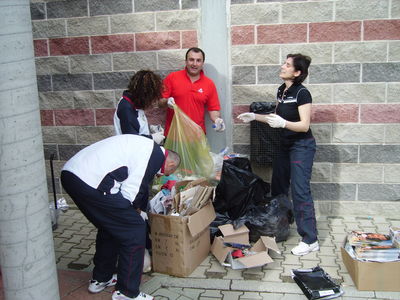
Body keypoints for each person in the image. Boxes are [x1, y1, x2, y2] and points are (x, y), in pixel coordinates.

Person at [60, 135, 180, 300]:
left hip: (73, 174)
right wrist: (139, 216)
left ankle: (101, 279)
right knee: (134, 229)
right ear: (171, 164)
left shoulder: (147, 148)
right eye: (169, 172)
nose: (163, 176)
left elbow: (137, 188)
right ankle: (127, 292)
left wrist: (135, 210)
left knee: (111, 226)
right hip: (91, 180)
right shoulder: (153, 156)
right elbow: (132, 192)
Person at [238, 53, 318, 256]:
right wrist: (255, 117)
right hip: (285, 144)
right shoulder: (282, 90)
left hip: (302, 145)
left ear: (297, 72)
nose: (282, 66)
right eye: (284, 62)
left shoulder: (302, 93)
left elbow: (304, 125)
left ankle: (310, 239)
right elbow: (276, 118)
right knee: (279, 187)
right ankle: (280, 227)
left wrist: (284, 124)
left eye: (287, 64)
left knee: (300, 191)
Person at [159, 47, 225, 136]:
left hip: (197, 136)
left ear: (202, 63)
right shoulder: (172, 78)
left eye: (198, 60)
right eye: (191, 60)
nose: (194, 64)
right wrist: (167, 102)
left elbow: (213, 109)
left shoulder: (209, 84)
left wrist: (217, 120)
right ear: (186, 61)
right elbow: (160, 103)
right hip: (174, 136)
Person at [114, 70, 165, 144]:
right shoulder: (126, 108)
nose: (151, 102)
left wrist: (150, 128)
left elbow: (137, 125)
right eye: (151, 98)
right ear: (145, 94)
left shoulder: (135, 103)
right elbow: (131, 140)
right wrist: (152, 138)